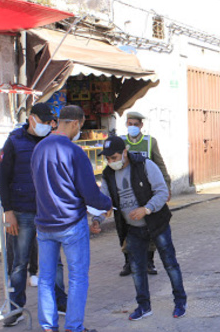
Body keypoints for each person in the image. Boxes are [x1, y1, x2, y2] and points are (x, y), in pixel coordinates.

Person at [31, 105, 112, 332]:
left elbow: (35, 185)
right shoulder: (75, 152)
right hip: (70, 224)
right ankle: (73, 327)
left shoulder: (39, 148)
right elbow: (89, 192)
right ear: (76, 123)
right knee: (77, 278)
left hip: (45, 224)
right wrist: (107, 205)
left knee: (46, 279)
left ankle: (48, 327)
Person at [95, 136, 187, 321]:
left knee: (170, 263)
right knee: (137, 269)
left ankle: (180, 301)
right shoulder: (108, 174)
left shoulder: (145, 165)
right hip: (133, 229)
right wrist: (97, 219)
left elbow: (162, 192)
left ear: (124, 153)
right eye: (108, 159)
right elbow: (105, 201)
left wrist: (146, 209)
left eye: (114, 157)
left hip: (156, 225)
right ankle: (144, 306)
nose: (111, 162)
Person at [0, 103, 68, 327]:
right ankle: (15, 308)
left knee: (55, 261)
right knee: (19, 263)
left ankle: (60, 301)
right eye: (43, 121)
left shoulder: (51, 141)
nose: (47, 125)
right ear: (31, 118)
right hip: (22, 211)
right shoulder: (14, 142)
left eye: (50, 122)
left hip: (48, 212)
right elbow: (2, 178)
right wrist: (7, 211)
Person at [119, 111, 172, 276]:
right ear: (126, 124)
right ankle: (128, 262)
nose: (132, 127)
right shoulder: (120, 141)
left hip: (146, 192)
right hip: (126, 191)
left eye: (136, 124)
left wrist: (166, 186)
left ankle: (149, 261)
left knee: (150, 227)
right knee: (126, 227)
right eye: (130, 123)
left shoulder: (150, 142)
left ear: (141, 125)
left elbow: (160, 164)